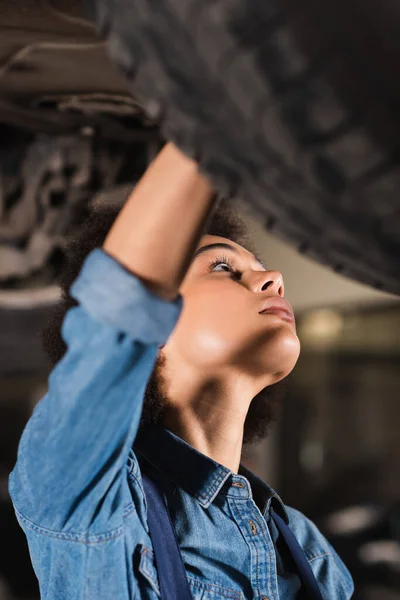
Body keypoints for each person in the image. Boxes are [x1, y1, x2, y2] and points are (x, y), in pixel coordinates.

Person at [9, 142, 354, 599]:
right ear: (155, 324)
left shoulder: (308, 552)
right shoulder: (87, 491)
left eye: (259, 269)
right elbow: (119, 307)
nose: (274, 279)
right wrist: (205, 110)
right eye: (223, 268)